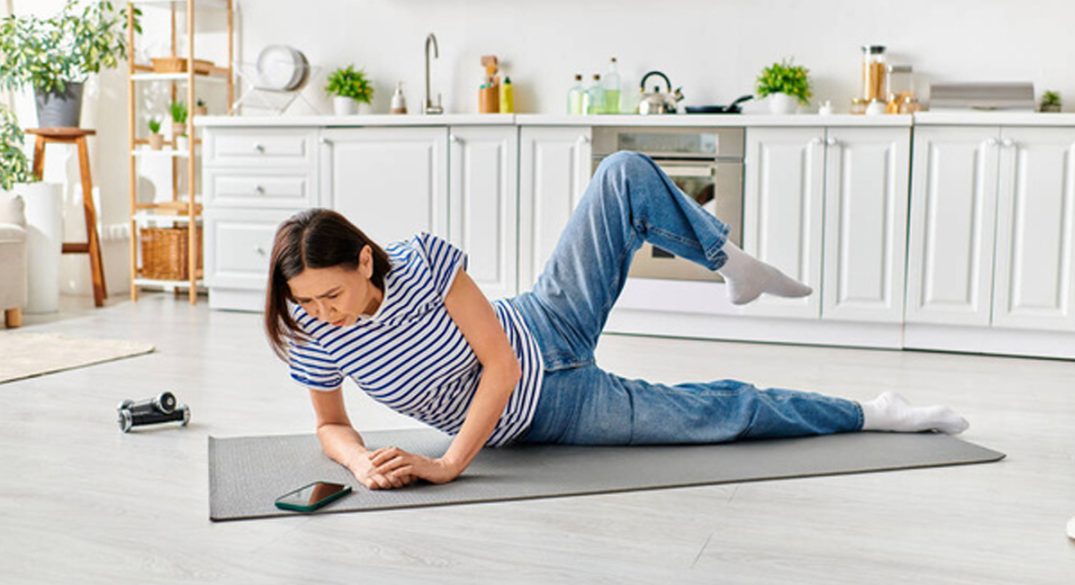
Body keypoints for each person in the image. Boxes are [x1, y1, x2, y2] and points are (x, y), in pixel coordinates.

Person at [264, 151, 969, 491]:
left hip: (544, 325)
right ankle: (878, 413)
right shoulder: (316, 332)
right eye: (308, 303)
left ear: (364, 260)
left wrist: (449, 464)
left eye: (331, 293)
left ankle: (730, 263)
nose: (325, 312)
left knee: (623, 173)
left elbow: (501, 361)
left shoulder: (422, 261)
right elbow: (330, 423)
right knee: (732, 411)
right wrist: (362, 459)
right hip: (563, 411)